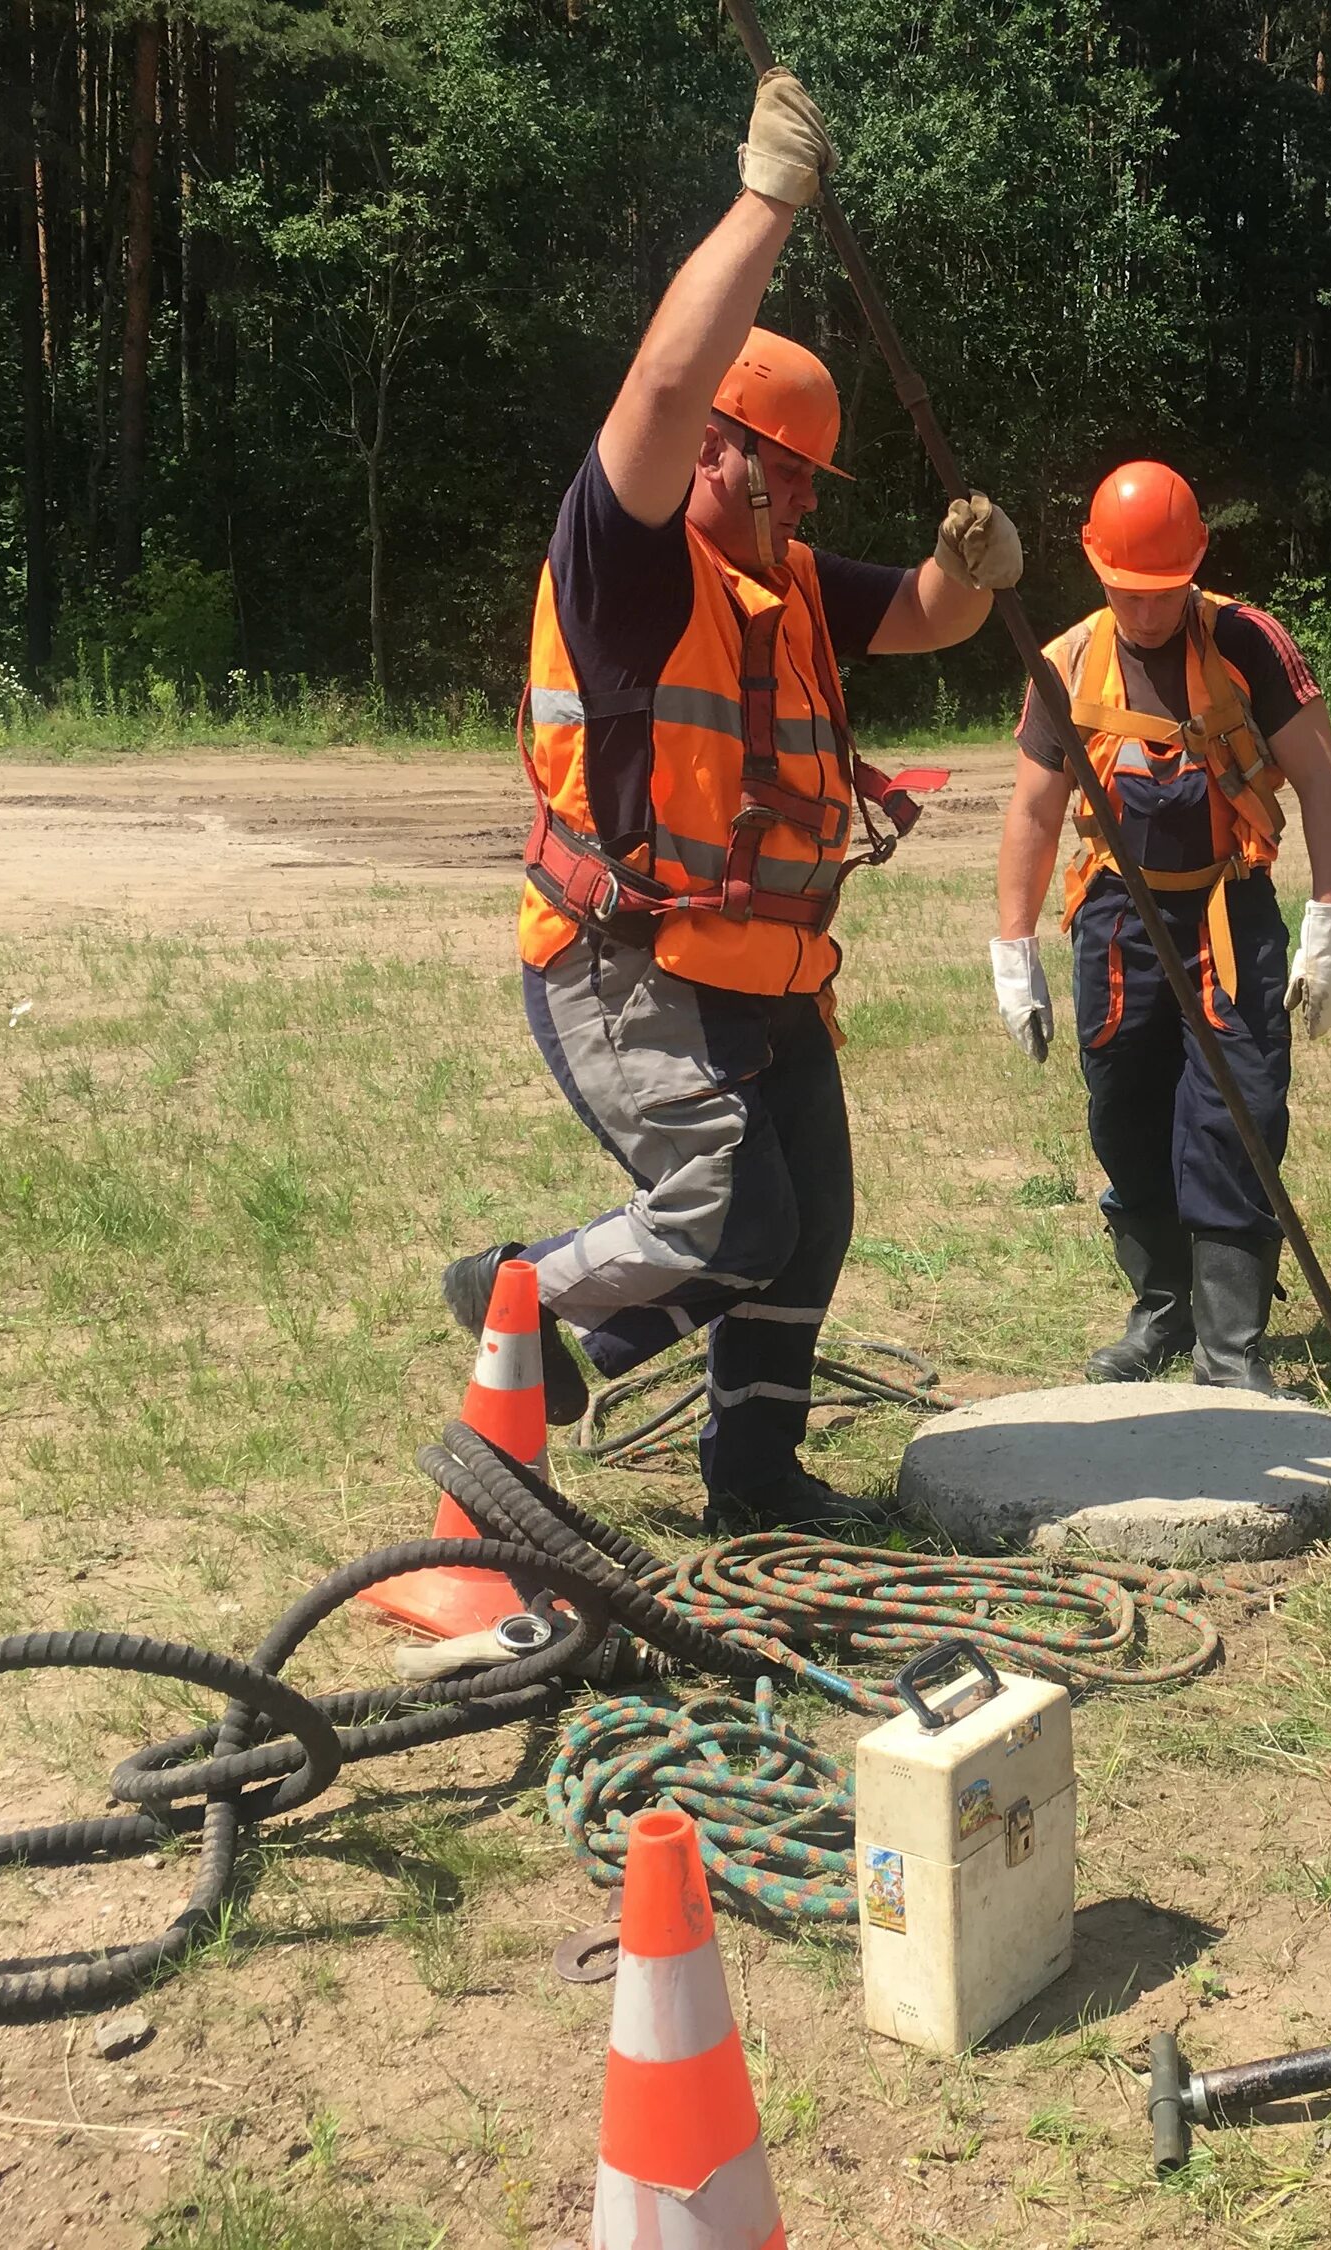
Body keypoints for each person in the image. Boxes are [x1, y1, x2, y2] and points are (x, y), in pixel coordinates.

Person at [446, 67, 1024, 1534]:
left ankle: (753, 1489)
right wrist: (768, 203)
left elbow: (933, 619)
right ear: (719, 445)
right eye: (795, 474)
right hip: (627, 960)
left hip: (764, 970)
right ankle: (519, 1290)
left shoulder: (792, 585)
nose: (814, 504)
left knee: (810, 1222)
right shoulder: (626, 559)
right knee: (730, 1215)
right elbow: (652, 384)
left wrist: (976, 566)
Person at [987, 463, 1331, 1393]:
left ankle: (1229, 1346)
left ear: (1194, 567)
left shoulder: (1249, 643)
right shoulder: (1067, 661)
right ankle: (1161, 1308)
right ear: (1096, 571)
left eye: (1162, 591)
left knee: (1237, 1108)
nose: (1144, 611)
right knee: (1124, 1109)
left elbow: (1321, 782)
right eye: (1125, 591)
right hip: (1118, 915)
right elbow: (1033, 814)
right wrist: (1012, 948)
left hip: (1229, 904)